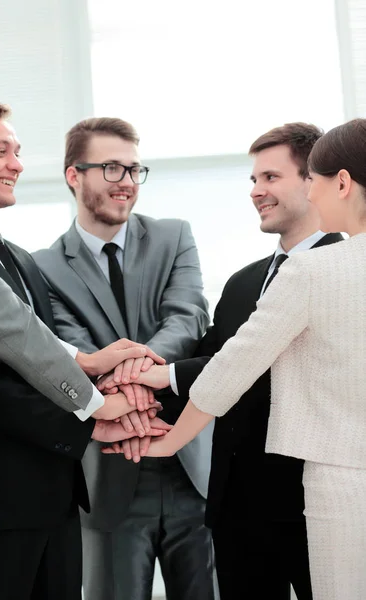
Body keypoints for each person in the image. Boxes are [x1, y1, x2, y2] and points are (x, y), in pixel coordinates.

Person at [0, 34, 162, 600]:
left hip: (34, 492)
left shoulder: (16, 256)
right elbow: (1, 330)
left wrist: (87, 363)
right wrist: (96, 406)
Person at [103, 122, 343, 600]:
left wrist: (153, 375)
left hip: (314, 506)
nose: (256, 192)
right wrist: (136, 403)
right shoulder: (241, 282)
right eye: (253, 180)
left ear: (312, 180)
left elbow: (258, 369)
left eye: (270, 178)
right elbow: (212, 360)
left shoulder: (345, 269)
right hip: (238, 509)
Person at [33, 117, 216, 600]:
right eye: (113, 169)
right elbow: (71, 347)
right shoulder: (42, 268)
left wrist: (138, 373)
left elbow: (187, 317)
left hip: (188, 461)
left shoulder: (175, 236)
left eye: (136, 170)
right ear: (75, 175)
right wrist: (131, 378)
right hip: (106, 472)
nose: (129, 183)